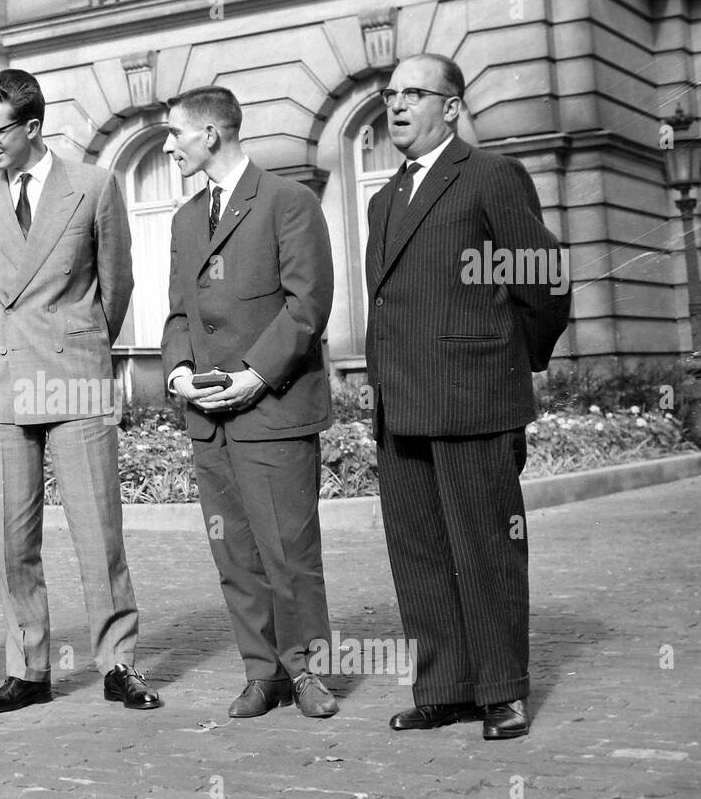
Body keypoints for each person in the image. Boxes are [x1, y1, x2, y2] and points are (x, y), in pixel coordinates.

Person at [365, 53, 572, 740]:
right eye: (391, 94)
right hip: (402, 405)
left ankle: (502, 690)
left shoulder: (489, 176)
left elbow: (542, 283)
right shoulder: (383, 197)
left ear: (451, 107)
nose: (396, 106)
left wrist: (510, 363)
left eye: (414, 94)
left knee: (487, 549)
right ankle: (447, 687)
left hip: (474, 398)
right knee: (418, 553)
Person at [0, 68, 157, 713]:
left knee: (98, 532)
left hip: (74, 377)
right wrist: (5, 342)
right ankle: (28, 670)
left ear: (32, 127)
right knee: (12, 540)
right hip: (6, 377)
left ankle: (119, 664)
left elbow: (114, 287)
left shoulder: (94, 187)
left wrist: (79, 343)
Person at [162, 86, 340, 721]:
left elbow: (307, 306)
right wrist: (179, 369)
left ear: (210, 135)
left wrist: (255, 376)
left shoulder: (289, 203)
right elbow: (180, 312)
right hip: (209, 419)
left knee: (290, 552)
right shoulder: (185, 219)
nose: (168, 145)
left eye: (175, 133)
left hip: (273, 410)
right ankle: (262, 674)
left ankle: (308, 673)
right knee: (234, 555)